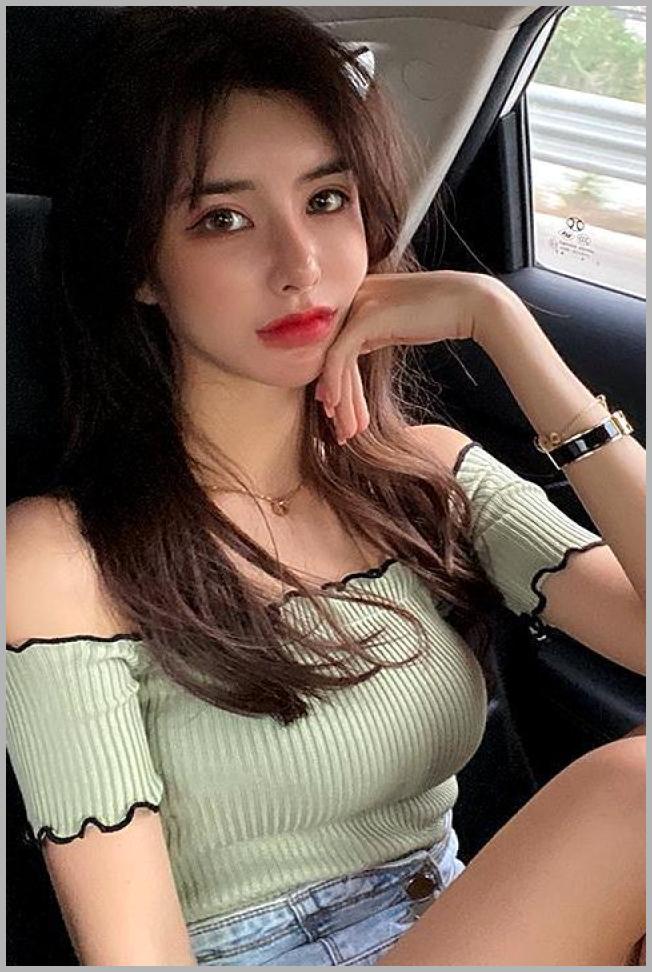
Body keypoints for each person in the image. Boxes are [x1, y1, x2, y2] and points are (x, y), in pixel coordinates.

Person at [6, 6, 645, 967]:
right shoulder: (60, 560)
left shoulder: (428, 475)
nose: (300, 266)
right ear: (142, 267)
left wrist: (504, 328)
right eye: (223, 219)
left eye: (327, 200)